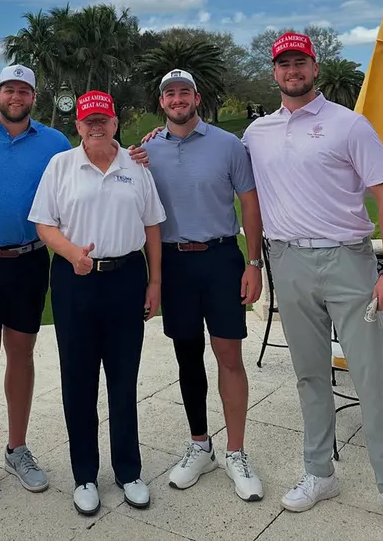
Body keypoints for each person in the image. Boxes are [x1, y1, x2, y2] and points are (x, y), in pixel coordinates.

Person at [242, 32, 383, 541]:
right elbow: (233, 181)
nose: (292, 71)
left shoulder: (349, 124)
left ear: (314, 66)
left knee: (372, 380)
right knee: (308, 375)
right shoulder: (258, 132)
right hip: (286, 259)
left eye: (299, 62)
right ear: (274, 71)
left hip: (348, 262)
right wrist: (143, 153)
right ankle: (319, 471)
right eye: (283, 64)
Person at [0, 64, 149, 514]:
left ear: (33, 97)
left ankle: (17, 449)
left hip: (31, 261)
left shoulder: (56, 144)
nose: (16, 96)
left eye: (24, 90)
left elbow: (107, 168)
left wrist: (136, 156)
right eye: (9, 89)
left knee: (21, 354)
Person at [28, 90, 166, 515]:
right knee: (79, 381)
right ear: (78, 127)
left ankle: (128, 470)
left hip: (126, 278)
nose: (96, 127)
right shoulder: (61, 165)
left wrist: (155, 281)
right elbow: (43, 224)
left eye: (103, 119)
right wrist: (73, 254)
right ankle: (85, 474)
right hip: (75, 280)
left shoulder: (135, 166)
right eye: (89, 121)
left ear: (115, 123)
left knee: (124, 379)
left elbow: (152, 226)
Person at [142, 69, 265, 502]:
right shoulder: (145, 151)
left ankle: (236, 451)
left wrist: (255, 263)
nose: (177, 99)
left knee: (228, 354)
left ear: (196, 97)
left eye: (184, 92)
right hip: (174, 264)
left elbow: (250, 204)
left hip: (220, 258)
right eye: (169, 93)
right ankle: (200, 445)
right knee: (187, 356)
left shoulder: (228, 145)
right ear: (162, 103)